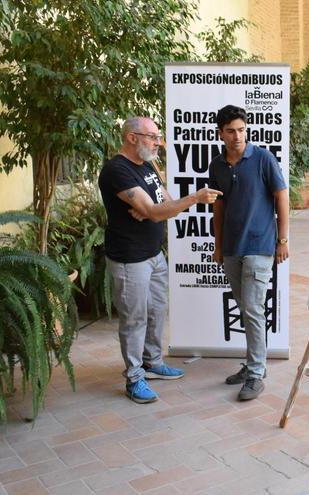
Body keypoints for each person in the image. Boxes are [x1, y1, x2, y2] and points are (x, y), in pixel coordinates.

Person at [99, 116, 222, 404]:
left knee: (156, 312)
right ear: (132, 138)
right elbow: (159, 209)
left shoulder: (148, 166)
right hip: (130, 259)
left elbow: (164, 204)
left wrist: (154, 210)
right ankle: (134, 377)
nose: (158, 142)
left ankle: (152, 364)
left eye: (158, 137)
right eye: (152, 137)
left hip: (154, 254)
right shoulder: (117, 170)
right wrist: (190, 199)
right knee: (134, 319)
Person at [210, 105, 290, 401]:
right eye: (231, 131)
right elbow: (218, 206)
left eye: (241, 130)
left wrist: (282, 240)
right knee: (246, 309)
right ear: (220, 133)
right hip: (231, 247)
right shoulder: (216, 165)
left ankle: (256, 373)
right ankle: (253, 364)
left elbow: (281, 196)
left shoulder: (263, 158)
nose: (237, 136)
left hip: (260, 245)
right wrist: (218, 245)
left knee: (254, 310)